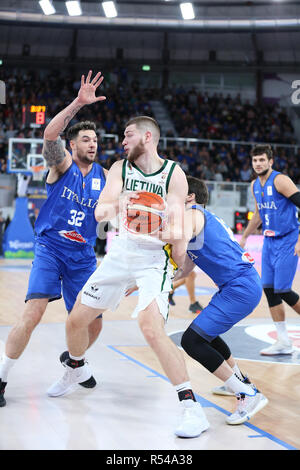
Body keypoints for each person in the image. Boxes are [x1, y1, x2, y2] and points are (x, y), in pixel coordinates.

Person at [47, 115, 210, 439]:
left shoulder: (173, 174)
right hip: (121, 251)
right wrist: (123, 203)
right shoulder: (122, 169)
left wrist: (157, 224)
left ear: (147, 137)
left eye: (128, 134)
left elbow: (178, 230)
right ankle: (74, 367)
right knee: (76, 320)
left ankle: (191, 407)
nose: (122, 140)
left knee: (150, 328)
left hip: (152, 258)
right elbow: (100, 212)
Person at [0, 71, 107, 407]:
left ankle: (73, 364)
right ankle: (2, 377)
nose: (92, 144)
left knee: (94, 324)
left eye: (95, 140)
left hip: (84, 255)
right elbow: (49, 134)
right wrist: (78, 102)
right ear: (72, 145)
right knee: (32, 314)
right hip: (51, 249)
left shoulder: (106, 176)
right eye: (86, 140)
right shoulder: (62, 166)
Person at [177, 176, 268, 425]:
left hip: (240, 286)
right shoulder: (199, 218)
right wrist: (159, 286)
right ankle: (240, 380)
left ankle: (246, 393)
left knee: (191, 340)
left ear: (189, 196)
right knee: (205, 334)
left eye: (178, 190)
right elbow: (184, 269)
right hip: (236, 285)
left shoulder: (192, 214)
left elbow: (176, 247)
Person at [240, 144, 300, 355]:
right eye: (255, 160)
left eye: (262, 160)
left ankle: (284, 341)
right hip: (269, 242)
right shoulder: (254, 185)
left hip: (288, 240)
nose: (258, 164)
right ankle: (283, 342)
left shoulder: (280, 180)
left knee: (283, 289)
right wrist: (245, 236)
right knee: (269, 289)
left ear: (270, 162)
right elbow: (258, 213)